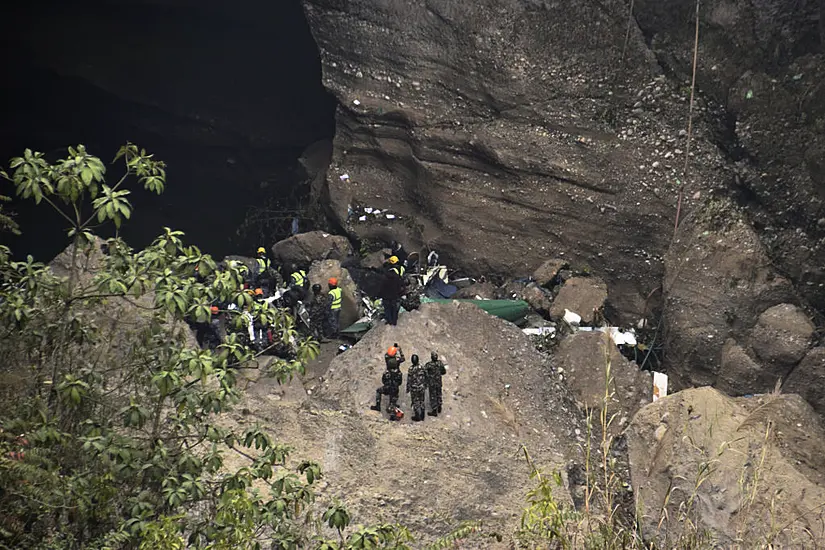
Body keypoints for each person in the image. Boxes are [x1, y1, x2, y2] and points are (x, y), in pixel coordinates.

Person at [371, 346, 404, 418]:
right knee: (393, 398)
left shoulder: (387, 371)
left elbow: (383, 381)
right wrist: (399, 350)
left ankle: (378, 406)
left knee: (378, 391)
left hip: (387, 387)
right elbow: (400, 382)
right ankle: (393, 409)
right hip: (395, 389)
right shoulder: (399, 372)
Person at [380, 257, 405, 326]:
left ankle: (389, 321)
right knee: (394, 308)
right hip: (396, 293)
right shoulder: (401, 269)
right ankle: (394, 321)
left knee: (388, 308)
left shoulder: (386, 276)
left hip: (387, 295)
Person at [406, 354, 428, 422]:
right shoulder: (422, 367)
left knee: (415, 402)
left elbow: (409, 379)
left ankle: (417, 416)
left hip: (414, 388)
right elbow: (427, 375)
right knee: (422, 401)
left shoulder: (411, 369)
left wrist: (408, 388)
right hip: (421, 387)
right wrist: (425, 384)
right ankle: (422, 415)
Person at [425, 351, 447, 416]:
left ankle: (434, 410)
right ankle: (439, 406)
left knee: (432, 396)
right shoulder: (440, 363)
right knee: (439, 394)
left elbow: (424, 371)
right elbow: (444, 371)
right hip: (438, 382)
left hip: (432, 383)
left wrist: (428, 377)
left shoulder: (428, 365)